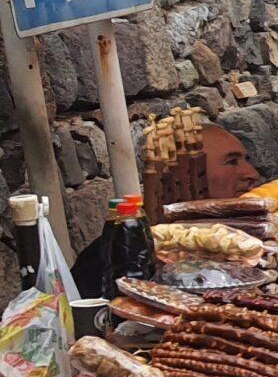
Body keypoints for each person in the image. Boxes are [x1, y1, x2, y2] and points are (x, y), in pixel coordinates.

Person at [71, 123, 265, 296]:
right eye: (232, 162)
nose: (253, 174)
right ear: (186, 175)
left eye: (247, 160)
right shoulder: (114, 255)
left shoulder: (256, 239)